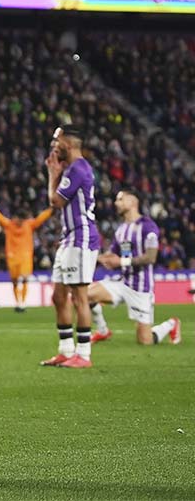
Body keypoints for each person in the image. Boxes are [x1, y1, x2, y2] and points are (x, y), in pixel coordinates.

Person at [40, 126, 101, 369]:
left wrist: (52, 174)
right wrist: (56, 172)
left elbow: (55, 201)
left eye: (58, 141)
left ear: (71, 143)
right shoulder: (72, 168)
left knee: (79, 297)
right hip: (69, 238)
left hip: (81, 238)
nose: (54, 145)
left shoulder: (78, 168)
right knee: (58, 296)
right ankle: (66, 350)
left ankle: (83, 355)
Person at [89, 188, 181, 345]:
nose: (116, 203)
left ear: (132, 202)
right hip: (122, 282)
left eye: (120, 199)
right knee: (85, 294)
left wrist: (121, 262)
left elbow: (151, 257)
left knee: (145, 341)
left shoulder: (148, 226)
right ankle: (103, 331)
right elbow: (113, 255)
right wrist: (97, 257)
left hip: (141, 288)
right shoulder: (121, 230)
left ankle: (172, 324)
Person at [0, 198, 52, 312]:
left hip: (25, 256)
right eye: (20, 220)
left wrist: (50, 210)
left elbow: (40, 219)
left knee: (25, 279)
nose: (21, 223)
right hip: (12, 257)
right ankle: (18, 302)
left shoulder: (29, 224)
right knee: (15, 281)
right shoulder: (9, 224)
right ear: (15, 217)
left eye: (23, 220)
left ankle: (23, 303)